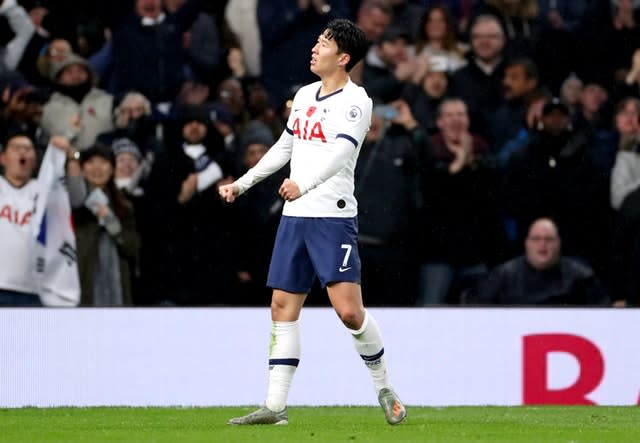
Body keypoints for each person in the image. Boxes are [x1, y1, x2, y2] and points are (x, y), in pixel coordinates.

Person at [219, 18, 406, 426]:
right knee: (281, 306)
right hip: (295, 217)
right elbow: (286, 145)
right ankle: (275, 406)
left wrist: (302, 184)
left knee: (349, 313)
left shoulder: (357, 101)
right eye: (317, 41)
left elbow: (341, 153)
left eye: (323, 43)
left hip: (331, 218)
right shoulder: (304, 95)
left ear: (343, 57)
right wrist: (243, 183)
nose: (314, 48)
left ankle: (384, 387)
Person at [468, 218, 610, 306]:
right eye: (536, 239)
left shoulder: (582, 276)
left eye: (549, 239)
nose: (542, 245)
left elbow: (603, 310)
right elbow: (476, 309)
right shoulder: (503, 275)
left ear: (559, 244)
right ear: (527, 244)